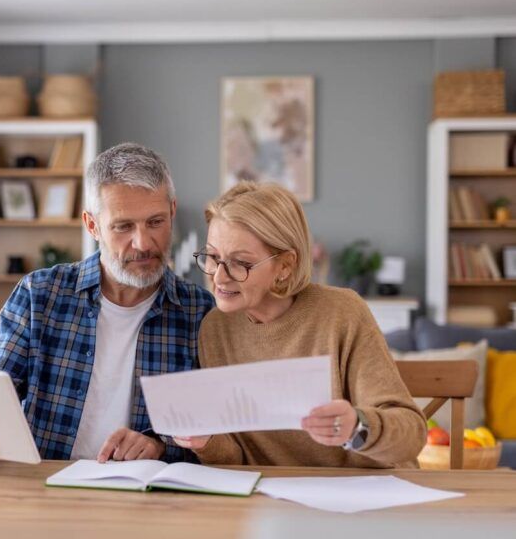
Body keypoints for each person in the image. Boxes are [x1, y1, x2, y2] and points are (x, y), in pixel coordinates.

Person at [0, 143, 214, 463]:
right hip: (45, 490)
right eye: (123, 226)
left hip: (148, 499)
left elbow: (214, 439)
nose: (142, 243)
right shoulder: (38, 296)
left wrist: (162, 447)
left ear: (172, 211)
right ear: (92, 225)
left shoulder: (200, 312)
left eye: (155, 222)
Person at [176, 181, 425, 468]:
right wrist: (207, 441)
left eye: (239, 263)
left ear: (285, 265)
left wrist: (357, 426)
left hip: (363, 496)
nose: (218, 278)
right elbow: (240, 459)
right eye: (212, 257)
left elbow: (412, 435)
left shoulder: (342, 313)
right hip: (272, 499)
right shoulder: (215, 329)